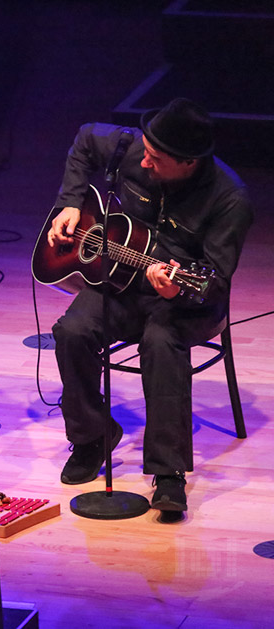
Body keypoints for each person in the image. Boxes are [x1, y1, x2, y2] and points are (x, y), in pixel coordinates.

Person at [47, 98, 253, 512]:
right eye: (146, 150)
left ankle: (168, 473)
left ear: (188, 162)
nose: (144, 162)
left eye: (156, 159)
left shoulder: (229, 199)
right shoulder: (134, 149)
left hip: (185, 299)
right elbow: (86, 138)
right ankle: (92, 436)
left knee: (160, 343)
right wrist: (70, 202)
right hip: (120, 280)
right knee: (71, 331)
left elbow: (214, 283)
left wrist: (177, 289)